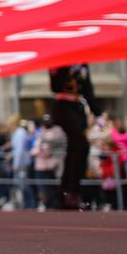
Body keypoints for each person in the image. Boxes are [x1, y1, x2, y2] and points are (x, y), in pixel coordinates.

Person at [47, 64, 98, 210]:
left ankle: (67, 193)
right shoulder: (60, 61)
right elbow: (55, 86)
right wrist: (65, 68)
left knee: (74, 151)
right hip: (63, 107)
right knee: (81, 146)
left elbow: (88, 89)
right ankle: (70, 192)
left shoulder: (82, 64)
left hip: (76, 109)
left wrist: (97, 111)